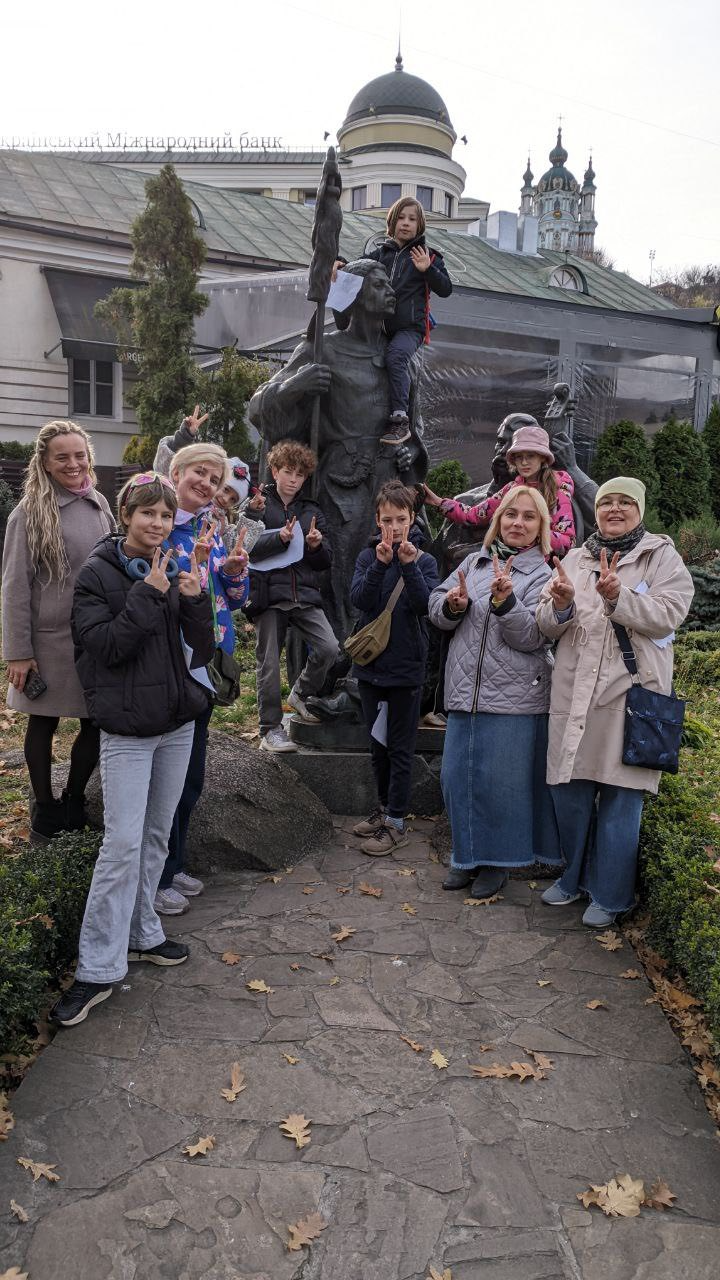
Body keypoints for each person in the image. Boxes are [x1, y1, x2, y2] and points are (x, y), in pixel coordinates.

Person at [50, 473, 215, 1027]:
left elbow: (200, 648)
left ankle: (144, 933)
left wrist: (196, 601)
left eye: (166, 516)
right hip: (126, 729)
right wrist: (150, 594)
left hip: (175, 724)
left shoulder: (171, 564)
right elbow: (105, 648)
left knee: (155, 834)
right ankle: (97, 966)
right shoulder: (97, 573)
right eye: (149, 513)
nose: (159, 524)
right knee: (120, 844)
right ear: (126, 514)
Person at [536, 476, 694, 927]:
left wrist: (618, 597)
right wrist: (562, 604)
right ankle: (573, 878)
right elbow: (546, 624)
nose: (616, 510)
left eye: (626, 503)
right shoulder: (575, 557)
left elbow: (669, 614)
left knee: (623, 798)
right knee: (570, 791)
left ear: (640, 511)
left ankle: (612, 894)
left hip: (631, 695)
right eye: (608, 502)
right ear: (597, 509)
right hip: (575, 693)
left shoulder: (662, 557)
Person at [428, 486, 561, 898]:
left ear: (541, 527)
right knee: (457, 779)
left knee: (499, 784)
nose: (517, 523)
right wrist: (452, 603)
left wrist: (505, 604)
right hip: (465, 691)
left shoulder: (544, 574)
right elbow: (436, 609)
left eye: (528, 517)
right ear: (498, 520)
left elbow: (534, 637)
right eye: (510, 515)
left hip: (516, 697)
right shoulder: (475, 561)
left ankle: (497, 864)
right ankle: (465, 856)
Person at [1, 420, 114, 841]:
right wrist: (17, 651)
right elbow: (14, 587)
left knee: (95, 722)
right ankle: (45, 808)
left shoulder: (100, 502)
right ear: (45, 463)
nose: (74, 464)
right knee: (43, 723)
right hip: (48, 642)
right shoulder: (28, 513)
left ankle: (73, 799)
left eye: (80, 455)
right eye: (62, 457)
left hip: (94, 638)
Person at [154, 442, 250, 915]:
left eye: (215, 479)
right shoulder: (159, 528)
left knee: (190, 775)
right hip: (173, 666)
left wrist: (232, 573)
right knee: (170, 777)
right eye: (200, 473)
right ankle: (158, 875)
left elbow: (231, 600)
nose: (208, 484)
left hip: (206, 668)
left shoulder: (208, 530)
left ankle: (174, 863)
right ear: (175, 472)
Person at [350, 481, 439, 854]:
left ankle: (397, 821)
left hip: (406, 669)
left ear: (412, 518)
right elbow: (360, 600)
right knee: (377, 746)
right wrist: (381, 563)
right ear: (377, 519)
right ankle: (384, 808)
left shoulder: (426, 560)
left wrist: (407, 565)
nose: (394, 526)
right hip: (371, 667)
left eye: (401, 519)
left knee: (400, 748)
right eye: (387, 519)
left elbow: (425, 606)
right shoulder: (368, 557)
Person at [248, 440, 339, 754]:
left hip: (304, 594)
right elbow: (244, 547)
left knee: (330, 647)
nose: (293, 479)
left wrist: (315, 545)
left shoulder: (311, 510)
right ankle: (270, 728)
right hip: (267, 594)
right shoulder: (257, 504)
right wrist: (278, 538)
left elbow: (325, 560)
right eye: (287, 472)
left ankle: (299, 693)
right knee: (269, 664)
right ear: (275, 471)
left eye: (300, 475)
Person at [364, 196, 452, 446]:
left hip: (410, 328)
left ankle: (400, 419)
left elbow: (446, 289)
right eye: (401, 218)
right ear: (392, 223)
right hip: (379, 326)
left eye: (412, 219)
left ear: (420, 225)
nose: (406, 223)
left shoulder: (429, 256)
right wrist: (338, 262)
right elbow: (358, 268)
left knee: (395, 357)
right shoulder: (381, 255)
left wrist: (428, 269)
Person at [424, 422, 576, 558]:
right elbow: (475, 515)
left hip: (535, 565)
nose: (524, 462)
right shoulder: (511, 488)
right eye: (519, 457)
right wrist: (438, 502)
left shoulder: (558, 488)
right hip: (502, 557)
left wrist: (534, 532)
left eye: (530, 456)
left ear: (542, 458)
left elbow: (568, 541)